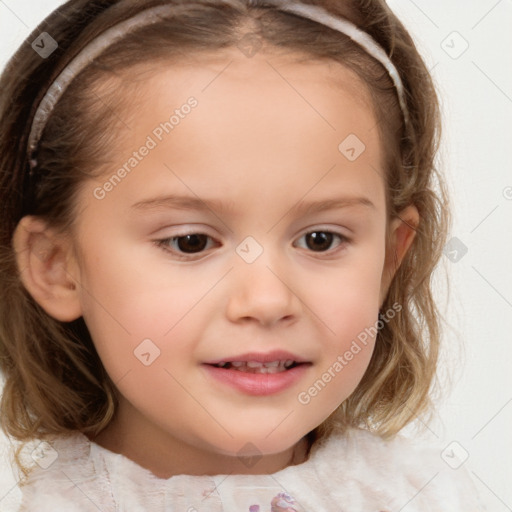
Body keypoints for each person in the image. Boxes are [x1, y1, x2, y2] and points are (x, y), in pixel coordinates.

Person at [0, 0, 485, 510]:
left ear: (390, 259)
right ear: (57, 266)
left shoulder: (429, 497)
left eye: (321, 239)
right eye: (191, 241)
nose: (267, 299)